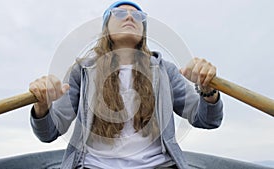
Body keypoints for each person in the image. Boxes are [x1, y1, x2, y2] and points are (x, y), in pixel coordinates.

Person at [29, 1, 223, 169]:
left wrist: (208, 90)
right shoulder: (82, 71)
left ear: (143, 31)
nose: (130, 17)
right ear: (106, 27)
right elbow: (49, 133)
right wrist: (42, 107)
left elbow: (207, 120)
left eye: (138, 16)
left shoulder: (165, 70)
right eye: (120, 13)